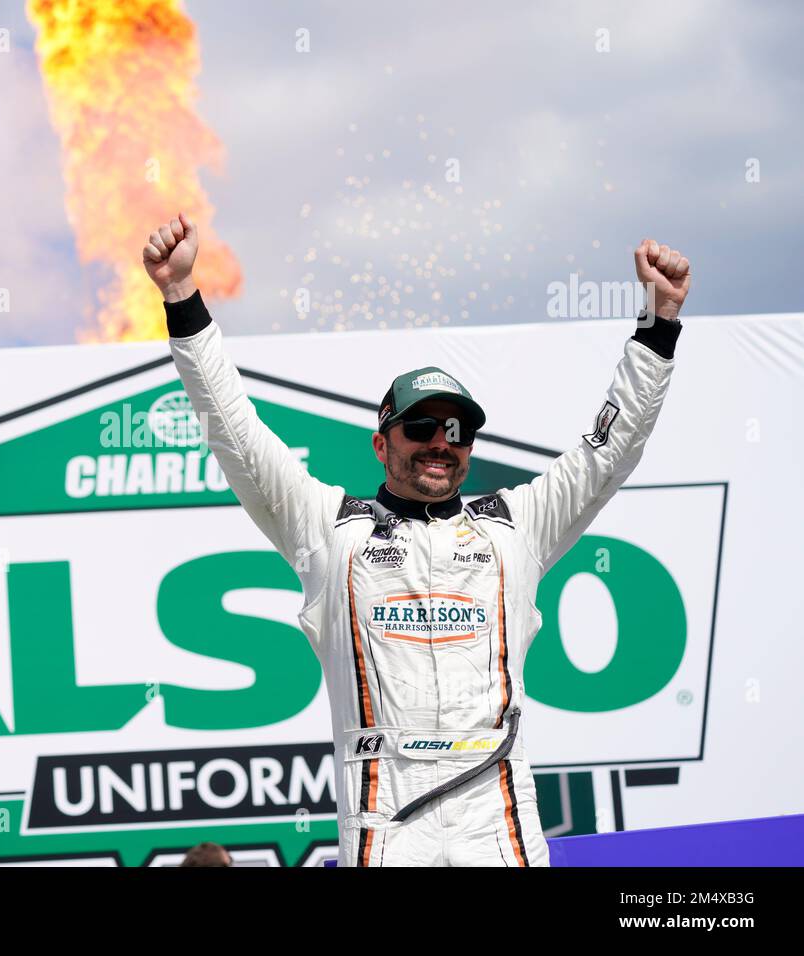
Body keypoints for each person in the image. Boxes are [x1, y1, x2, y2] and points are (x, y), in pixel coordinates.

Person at [142, 213, 690, 867]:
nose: (440, 443)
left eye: (456, 431)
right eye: (422, 426)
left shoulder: (517, 524)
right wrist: (181, 297)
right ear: (381, 443)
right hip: (387, 827)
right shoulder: (327, 526)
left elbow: (612, 445)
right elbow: (233, 426)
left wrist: (658, 323)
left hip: (501, 826)